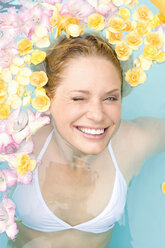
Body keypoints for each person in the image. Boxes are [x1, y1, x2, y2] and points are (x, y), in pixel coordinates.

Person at [8, 34, 165, 248]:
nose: (97, 115)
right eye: (79, 98)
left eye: (110, 97)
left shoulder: (133, 143)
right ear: (46, 98)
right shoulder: (17, 143)